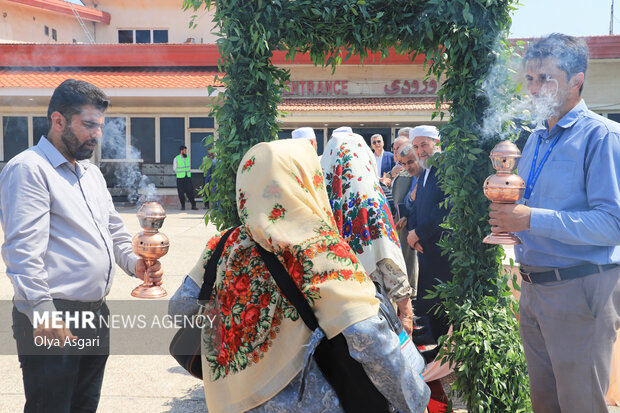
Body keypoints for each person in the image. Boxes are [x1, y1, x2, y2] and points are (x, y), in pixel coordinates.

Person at [170, 138, 430, 412]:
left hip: (230, 403)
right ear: (307, 183)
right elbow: (369, 340)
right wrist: (415, 399)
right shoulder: (322, 251)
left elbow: (180, 309)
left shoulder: (224, 245)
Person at [0, 79, 163, 413]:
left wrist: (138, 264)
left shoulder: (90, 174)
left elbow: (114, 231)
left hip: (94, 313)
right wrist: (44, 315)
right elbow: (22, 253)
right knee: (51, 407)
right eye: (88, 125)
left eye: (100, 126)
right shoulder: (30, 170)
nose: (97, 134)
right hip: (53, 315)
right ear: (58, 121)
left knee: (84, 405)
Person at [488, 33, 620, 412]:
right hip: (535, 289)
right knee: (545, 404)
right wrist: (511, 221)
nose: (534, 88)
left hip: (579, 288)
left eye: (545, 78)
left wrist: (531, 218)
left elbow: (612, 223)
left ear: (576, 80)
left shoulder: (602, 136)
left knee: (580, 404)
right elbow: (529, 208)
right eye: (530, 78)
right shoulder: (536, 139)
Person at [321, 131, 415, 334]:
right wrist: (406, 313)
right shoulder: (373, 200)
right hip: (379, 312)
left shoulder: (326, 204)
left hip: (344, 315)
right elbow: (389, 258)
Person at [405, 125, 452, 343]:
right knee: (430, 309)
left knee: (442, 310)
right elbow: (416, 207)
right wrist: (413, 234)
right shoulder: (425, 171)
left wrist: (418, 233)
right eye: (416, 146)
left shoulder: (444, 168)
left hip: (441, 252)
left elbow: (445, 210)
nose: (420, 150)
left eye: (424, 144)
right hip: (425, 249)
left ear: (437, 143)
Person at [394, 142, 423, 296]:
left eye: (411, 162)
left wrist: (418, 232)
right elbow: (408, 202)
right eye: (403, 163)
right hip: (411, 237)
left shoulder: (430, 176)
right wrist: (405, 216)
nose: (407, 167)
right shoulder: (407, 178)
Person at [173, 145, 197, 210]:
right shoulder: (176, 158)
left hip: (187, 177)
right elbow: (174, 169)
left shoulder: (187, 158)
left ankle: (193, 205)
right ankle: (183, 206)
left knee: (190, 192)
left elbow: (188, 167)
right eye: (185, 150)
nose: (186, 152)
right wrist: (180, 173)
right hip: (180, 178)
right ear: (181, 151)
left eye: (186, 150)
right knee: (181, 193)